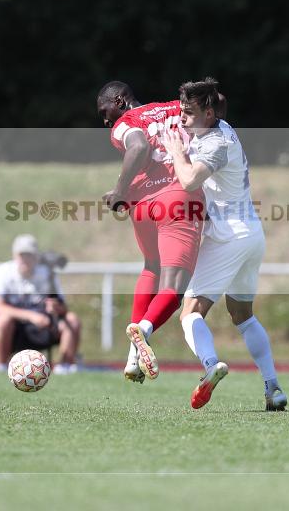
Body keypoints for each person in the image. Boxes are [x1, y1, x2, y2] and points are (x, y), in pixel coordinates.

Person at [161, 77, 288, 411]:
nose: (183, 118)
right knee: (242, 315)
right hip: (251, 236)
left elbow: (189, 181)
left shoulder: (217, 143)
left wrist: (176, 151)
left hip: (229, 236)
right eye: (180, 110)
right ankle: (273, 387)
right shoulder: (218, 127)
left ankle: (209, 366)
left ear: (207, 111)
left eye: (188, 112)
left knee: (190, 311)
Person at [96, 81, 205, 383]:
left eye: (105, 112)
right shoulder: (176, 107)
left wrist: (121, 192)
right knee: (175, 287)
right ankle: (143, 330)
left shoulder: (126, 122)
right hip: (178, 199)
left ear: (119, 100)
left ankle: (133, 359)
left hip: (142, 204)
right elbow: (217, 100)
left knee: (151, 268)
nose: (107, 121)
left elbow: (139, 146)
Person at [0, 234, 82, 374]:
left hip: (41, 328)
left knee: (72, 319)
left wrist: (56, 307)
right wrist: (31, 316)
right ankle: (1, 367)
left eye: (29, 255)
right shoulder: (2, 272)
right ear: (14, 256)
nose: (25, 259)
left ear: (36, 257)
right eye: (22, 255)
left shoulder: (47, 274)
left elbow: (63, 309)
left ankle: (65, 367)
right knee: (4, 320)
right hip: (12, 330)